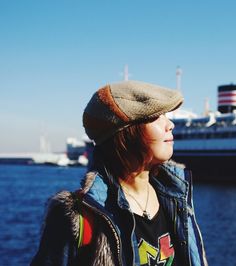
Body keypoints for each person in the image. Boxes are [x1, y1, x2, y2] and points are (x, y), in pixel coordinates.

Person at [31, 80, 207, 266]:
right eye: (156, 116)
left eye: (166, 115)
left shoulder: (176, 196)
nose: (170, 124)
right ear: (126, 133)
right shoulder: (77, 217)